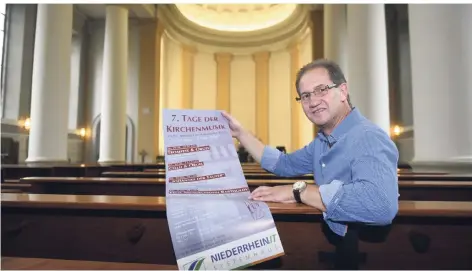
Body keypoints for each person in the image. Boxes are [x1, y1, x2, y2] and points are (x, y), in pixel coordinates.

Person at [221, 59, 399, 268]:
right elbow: (283, 164)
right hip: (339, 245)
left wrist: (300, 191)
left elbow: (379, 206)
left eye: (321, 90)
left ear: (343, 91)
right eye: (305, 96)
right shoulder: (322, 142)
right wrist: (241, 134)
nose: (313, 102)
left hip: (363, 253)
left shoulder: (367, 136)